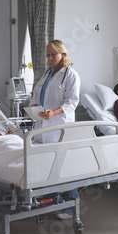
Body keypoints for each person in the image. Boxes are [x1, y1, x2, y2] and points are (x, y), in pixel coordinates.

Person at [29, 39, 80, 220]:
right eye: (48, 55)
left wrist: (55, 112)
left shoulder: (71, 75)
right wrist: (32, 107)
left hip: (59, 126)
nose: (50, 58)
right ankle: (54, 201)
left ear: (63, 54)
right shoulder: (48, 74)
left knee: (64, 166)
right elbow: (37, 95)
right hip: (43, 124)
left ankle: (69, 208)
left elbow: (72, 102)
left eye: (54, 54)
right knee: (48, 165)